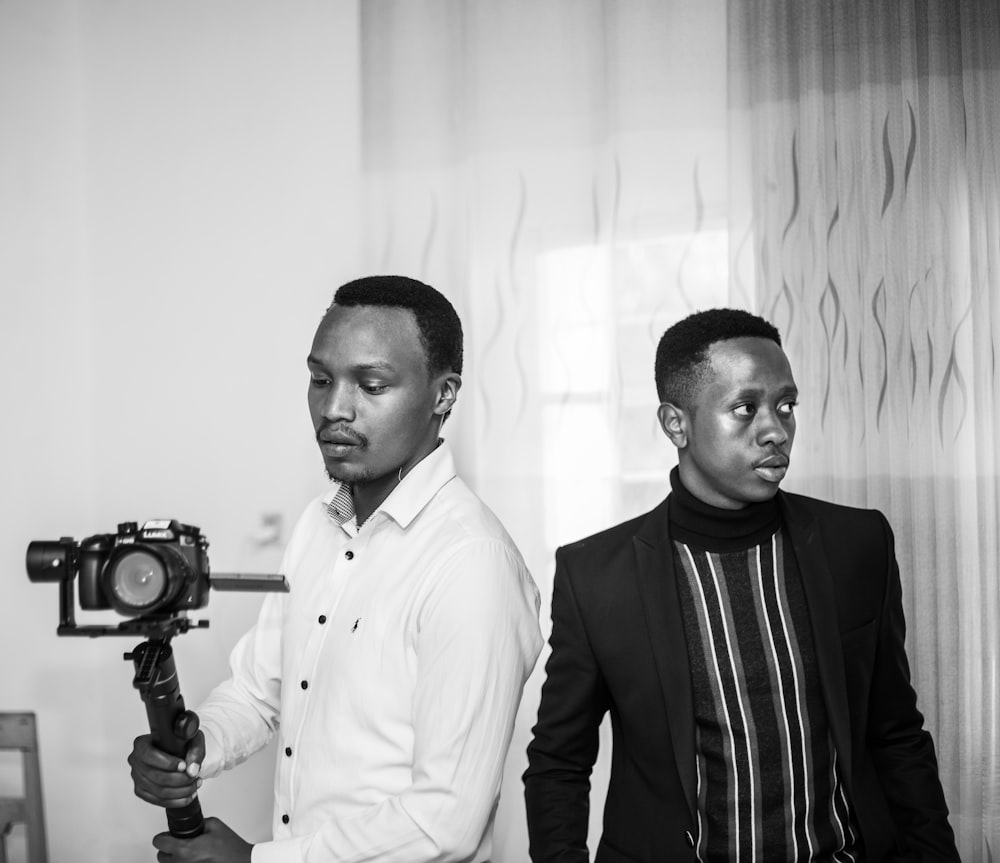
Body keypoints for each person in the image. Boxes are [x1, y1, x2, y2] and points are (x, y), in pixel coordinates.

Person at [129, 275, 543, 863]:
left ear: (443, 395)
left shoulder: (472, 564)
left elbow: (443, 822)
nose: (333, 408)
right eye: (321, 379)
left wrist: (253, 861)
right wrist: (195, 747)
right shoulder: (317, 527)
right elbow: (256, 690)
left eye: (371, 385)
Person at [523, 308, 959, 862]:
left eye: (785, 406)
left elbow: (896, 733)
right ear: (676, 424)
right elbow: (559, 763)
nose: (776, 429)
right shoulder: (598, 576)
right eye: (745, 409)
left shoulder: (857, 544)